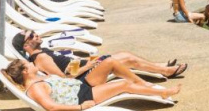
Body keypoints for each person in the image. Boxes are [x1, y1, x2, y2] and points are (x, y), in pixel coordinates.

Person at [2, 59, 181, 111]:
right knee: (124, 85)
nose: (33, 64)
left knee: (111, 62)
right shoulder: (35, 88)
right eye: (29, 64)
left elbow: (64, 81)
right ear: (25, 71)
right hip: (83, 96)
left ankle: (142, 84)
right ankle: (162, 93)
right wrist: (80, 106)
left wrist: (86, 67)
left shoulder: (38, 78)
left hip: (80, 86)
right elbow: (51, 107)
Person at [13, 30, 188, 82]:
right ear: (26, 45)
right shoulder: (40, 58)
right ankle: (166, 71)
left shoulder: (41, 53)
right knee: (128, 59)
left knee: (125, 54)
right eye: (31, 36)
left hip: (81, 65)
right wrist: (87, 65)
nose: (36, 35)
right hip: (83, 74)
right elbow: (65, 78)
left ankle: (160, 66)